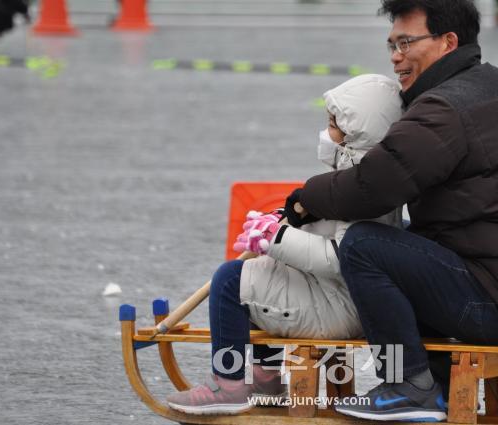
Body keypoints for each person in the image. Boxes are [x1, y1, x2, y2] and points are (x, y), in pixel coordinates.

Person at [282, 0, 498, 422]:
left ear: (448, 42)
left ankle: (409, 384)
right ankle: (435, 381)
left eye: (406, 42)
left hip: (495, 303)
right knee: (407, 237)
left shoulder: (443, 108)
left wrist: (306, 198)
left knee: (364, 244)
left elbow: (373, 187)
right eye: (391, 45)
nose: (395, 57)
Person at [166, 74, 404, 415]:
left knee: (231, 281)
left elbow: (343, 258)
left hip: (339, 306)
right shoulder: (371, 176)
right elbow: (334, 227)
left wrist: (276, 238)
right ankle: (266, 379)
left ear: (357, 132)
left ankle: (228, 383)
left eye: (334, 125)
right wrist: (289, 221)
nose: (327, 133)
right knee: (264, 274)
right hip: (348, 298)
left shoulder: (362, 188)